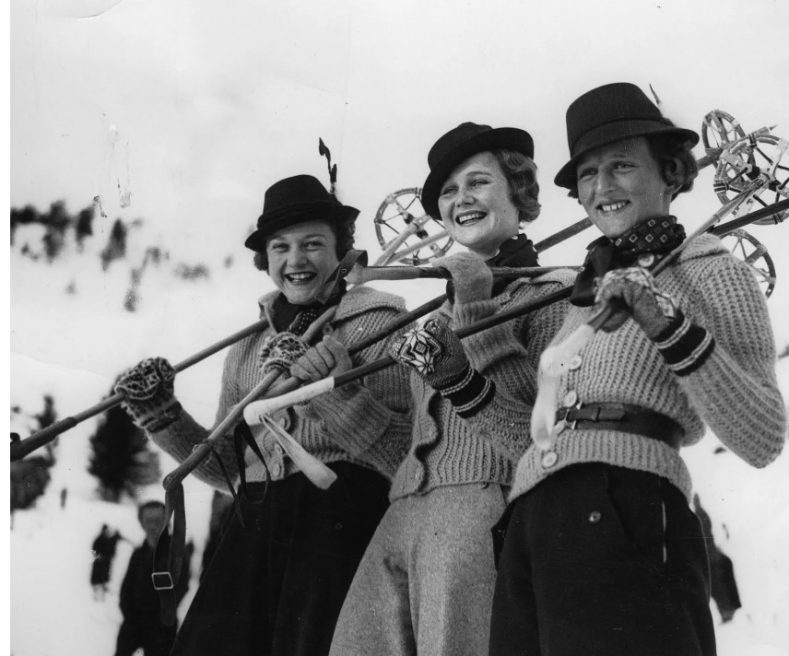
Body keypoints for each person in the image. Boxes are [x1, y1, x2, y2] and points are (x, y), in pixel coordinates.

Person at [489, 82, 788, 656]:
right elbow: (527, 435)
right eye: (587, 174)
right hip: (531, 520)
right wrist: (459, 378)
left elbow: (763, 436)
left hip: (626, 507)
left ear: (672, 173)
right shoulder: (574, 294)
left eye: (622, 165)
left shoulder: (710, 269)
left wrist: (665, 322)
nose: (602, 188)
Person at [114, 174, 412, 656]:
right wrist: (163, 416)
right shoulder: (249, 347)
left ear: (342, 250)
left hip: (341, 529)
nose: (296, 260)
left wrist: (332, 392)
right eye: (280, 247)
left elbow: (405, 456)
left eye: (313, 243)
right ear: (265, 260)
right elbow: (227, 468)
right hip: (254, 533)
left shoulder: (382, 323)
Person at [330, 122, 573, 656]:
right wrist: (331, 396)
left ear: (520, 193)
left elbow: (543, 443)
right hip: (403, 511)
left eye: (478, 182)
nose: (461, 200)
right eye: (447, 192)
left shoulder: (555, 294)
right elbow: (406, 452)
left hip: (484, 513)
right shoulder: (435, 309)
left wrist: (480, 314)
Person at [114, 501, 189, 656]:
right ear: (142, 523)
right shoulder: (138, 554)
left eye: (158, 520)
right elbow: (126, 588)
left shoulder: (175, 553)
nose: (153, 526)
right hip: (134, 621)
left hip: (162, 627)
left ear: (166, 521)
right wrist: (130, 616)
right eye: (148, 521)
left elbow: (181, 587)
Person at [693, 494, 742, 623]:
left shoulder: (699, 516)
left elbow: (706, 536)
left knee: (717, 587)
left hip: (710, 559)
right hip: (710, 557)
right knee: (717, 587)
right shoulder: (700, 515)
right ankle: (728, 610)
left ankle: (727, 610)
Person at [90, 524, 122, 601]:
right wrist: (98, 557)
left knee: (104, 576)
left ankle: (103, 590)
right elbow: (93, 550)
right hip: (99, 563)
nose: (106, 532)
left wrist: (117, 536)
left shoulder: (108, 539)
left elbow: (113, 543)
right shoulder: (98, 539)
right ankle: (96, 595)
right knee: (97, 579)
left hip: (106, 562)